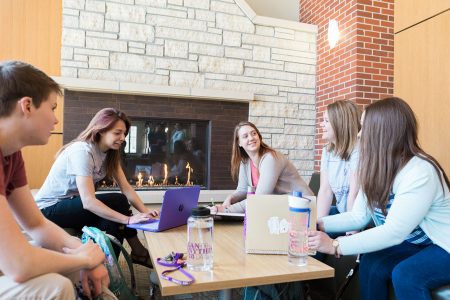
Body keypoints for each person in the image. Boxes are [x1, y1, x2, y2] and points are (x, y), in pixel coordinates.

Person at [308, 97, 450, 300]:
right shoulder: (377, 167)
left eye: (364, 127)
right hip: (417, 242)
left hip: (443, 244)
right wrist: (318, 224)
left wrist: (335, 245)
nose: (358, 133)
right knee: (372, 263)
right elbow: (358, 216)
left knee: (407, 276)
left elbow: (393, 232)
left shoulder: (419, 171)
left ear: (383, 132)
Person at [0, 60, 108, 299]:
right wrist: (83, 257)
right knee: (55, 286)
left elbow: (36, 224)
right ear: (27, 106)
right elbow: (18, 265)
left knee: (66, 265)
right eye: (52, 107)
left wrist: (81, 253)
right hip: (9, 262)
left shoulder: (11, 154)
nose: (56, 120)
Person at [35, 108, 158, 268]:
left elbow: (126, 188)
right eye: (117, 133)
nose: (122, 138)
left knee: (113, 220)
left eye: (124, 134)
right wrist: (129, 219)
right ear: (100, 130)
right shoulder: (82, 151)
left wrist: (145, 212)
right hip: (50, 208)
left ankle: (108, 270)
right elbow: (88, 202)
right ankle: (138, 252)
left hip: (74, 204)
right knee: (117, 201)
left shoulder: (109, 154)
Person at [213, 121, 313, 214]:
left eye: (254, 133)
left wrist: (226, 210)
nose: (251, 138)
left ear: (259, 137)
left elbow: (260, 198)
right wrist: (230, 198)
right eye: (245, 136)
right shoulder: (245, 162)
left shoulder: (270, 158)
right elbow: (242, 189)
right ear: (239, 143)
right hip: (282, 205)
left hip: (303, 206)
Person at [317, 100, 361, 218]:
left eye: (326, 121)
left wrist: (350, 234)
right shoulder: (327, 150)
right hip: (343, 213)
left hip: (361, 219)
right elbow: (325, 191)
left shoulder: (359, 148)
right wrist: (316, 228)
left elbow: (354, 194)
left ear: (340, 124)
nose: (322, 124)